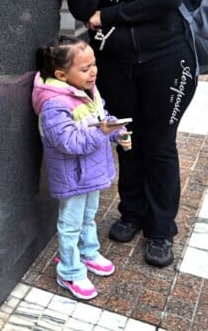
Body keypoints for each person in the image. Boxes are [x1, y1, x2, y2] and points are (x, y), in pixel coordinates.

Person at [63, 0, 197, 267]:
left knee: (159, 144)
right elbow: (81, 8)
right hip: (115, 67)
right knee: (127, 141)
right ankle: (132, 212)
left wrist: (108, 16)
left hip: (167, 62)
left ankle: (161, 229)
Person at [31, 37, 131, 300]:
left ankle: (87, 252)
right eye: (85, 69)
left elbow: (101, 119)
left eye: (94, 64)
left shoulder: (87, 90)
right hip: (73, 176)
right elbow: (69, 142)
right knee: (70, 223)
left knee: (88, 216)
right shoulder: (54, 104)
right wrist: (103, 132)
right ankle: (69, 271)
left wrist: (116, 131)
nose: (93, 71)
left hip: (91, 172)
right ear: (61, 75)